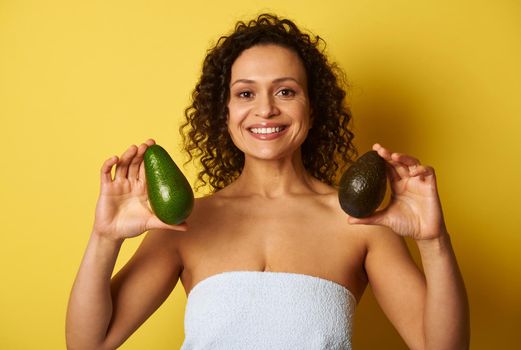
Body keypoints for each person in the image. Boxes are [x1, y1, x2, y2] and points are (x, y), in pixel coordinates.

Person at [66, 13, 469, 350]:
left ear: (313, 108)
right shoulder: (185, 222)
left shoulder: (361, 224)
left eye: (286, 91)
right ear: (223, 112)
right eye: (245, 94)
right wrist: (105, 238)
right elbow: (88, 344)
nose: (265, 110)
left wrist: (434, 241)